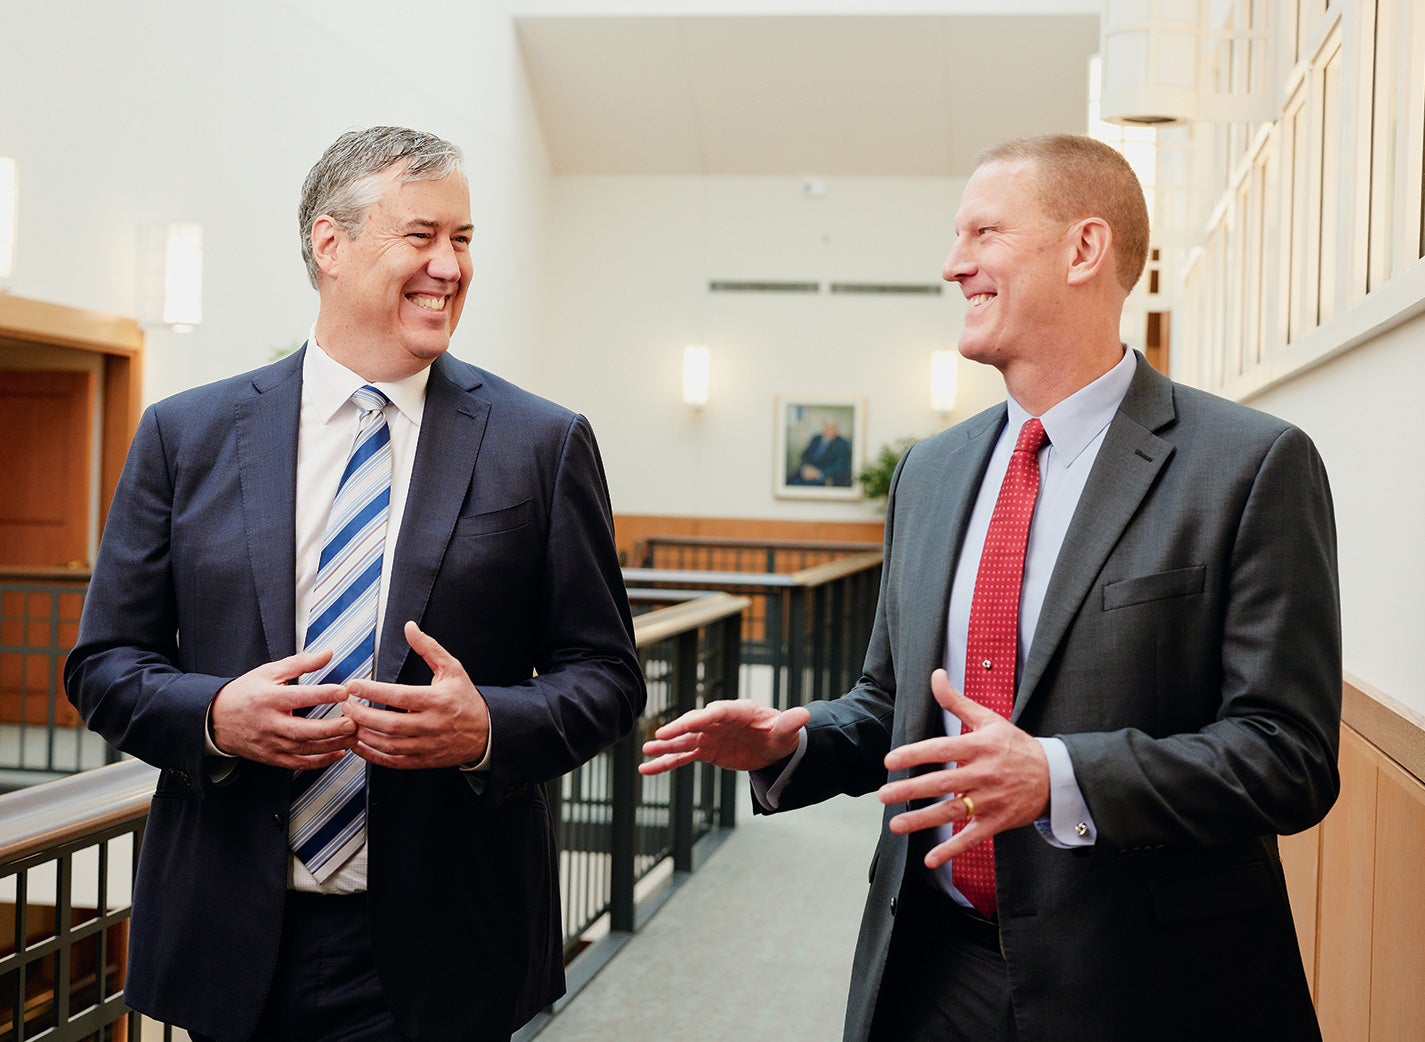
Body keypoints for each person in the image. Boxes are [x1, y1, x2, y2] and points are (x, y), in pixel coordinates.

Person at [642, 134, 1340, 1042]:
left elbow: (1284, 755)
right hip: (930, 968)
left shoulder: (1248, 466)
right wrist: (794, 740)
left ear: (1083, 249)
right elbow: (893, 703)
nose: (952, 263)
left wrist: (1056, 777)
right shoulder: (930, 472)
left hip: (1143, 985)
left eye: (982, 232)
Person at [66, 126, 646, 1042]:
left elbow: (607, 677)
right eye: (421, 236)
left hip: (448, 941)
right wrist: (217, 716)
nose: (449, 267)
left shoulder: (542, 443)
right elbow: (103, 664)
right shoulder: (188, 434)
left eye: (462, 240)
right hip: (229, 931)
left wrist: (488, 727)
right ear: (329, 246)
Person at [789, 417, 853, 486]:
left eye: (832, 428)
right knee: (790, 481)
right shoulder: (816, 439)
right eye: (827, 427)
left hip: (825, 477)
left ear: (836, 429)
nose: (829, 430)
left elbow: (840, 464)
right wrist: (805, 467)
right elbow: (804, 455)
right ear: (824, 428)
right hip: (806, 472)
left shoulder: (842, 443)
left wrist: (819, 473)